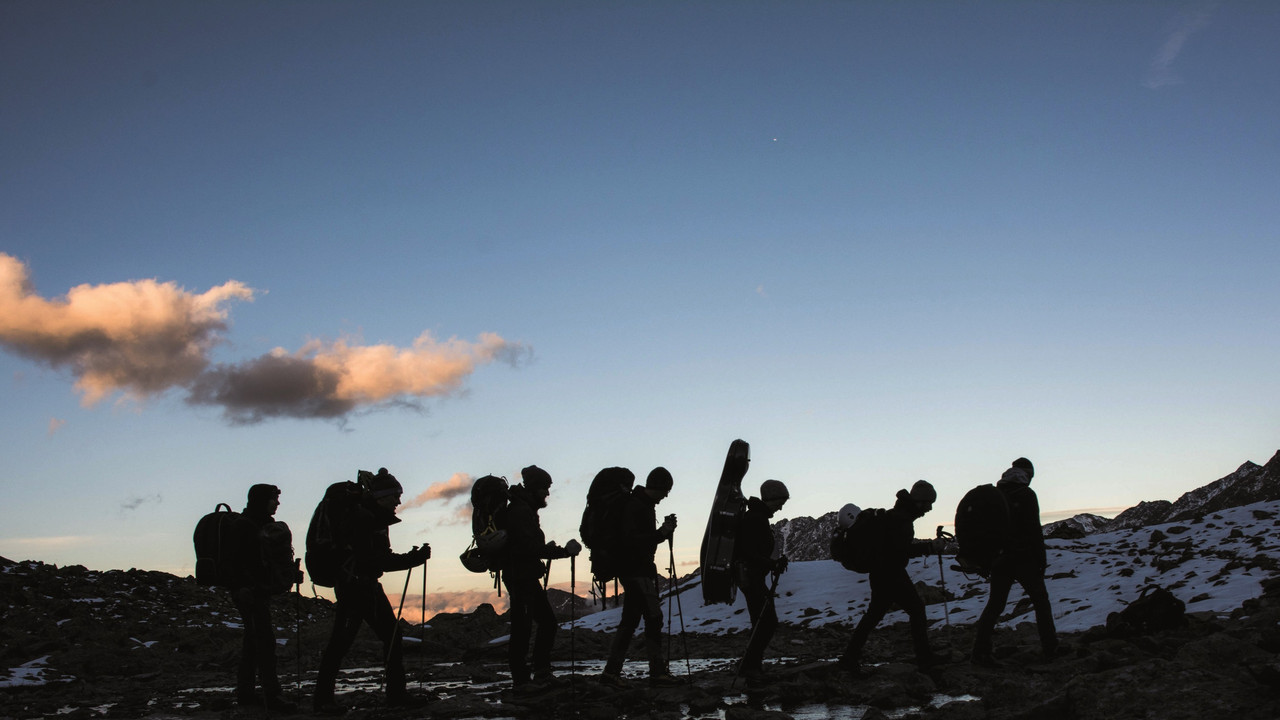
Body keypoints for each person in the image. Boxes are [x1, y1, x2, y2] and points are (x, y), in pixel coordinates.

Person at [313, 468, 430, 713]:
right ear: (381, 496)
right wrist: (412, 559)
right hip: (356, 587)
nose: (398, 501)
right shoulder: (364, 518)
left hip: (359, 585)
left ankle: (326, 699)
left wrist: (410, 559)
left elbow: (377, 557)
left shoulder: (371, 516)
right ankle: (391, 696)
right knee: (349, 641)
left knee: (381, 637)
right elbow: (373, 560)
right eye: (395, 496)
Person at [839, 480, 947, 673]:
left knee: (874, 615)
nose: (930, 508)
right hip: (891, 573)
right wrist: (929, 547)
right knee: (916, 610)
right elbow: (900, 551)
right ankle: (924, 659)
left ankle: (850, 657)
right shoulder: (902, 520)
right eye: (929, 503)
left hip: (881, 573)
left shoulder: (896, 515)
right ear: (920, 501)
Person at [499, 465, 582, 690]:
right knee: (527, 627)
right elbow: (527, 547)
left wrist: (548, 550)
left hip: (521, 575)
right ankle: (525, 680)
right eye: (545, 488)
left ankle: (534, 675)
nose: (547, 493)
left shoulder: (523, 508)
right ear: (534, 488)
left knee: (536, 624)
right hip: (520, 577)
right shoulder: (521, 511)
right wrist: (561, 552)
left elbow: (526, 545)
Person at [971, 458, 1059, 666]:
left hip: (1000, 559)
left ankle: (979, 652)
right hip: (1024, 558)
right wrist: (1041, 560)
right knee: (1041, 602)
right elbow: (1034, 529)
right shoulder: (1026, 494)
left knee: (995, 604)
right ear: (1027, 474)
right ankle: (1050, 649)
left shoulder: (996, 495)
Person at [600, 467, 681, 688]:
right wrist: (662, 533)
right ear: (659, 487)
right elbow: (634, 541)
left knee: (630, 620)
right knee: (654, 618)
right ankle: (657, 672)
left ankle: (611, 672)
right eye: (666, 490)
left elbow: (638, 539)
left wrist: (661, 533)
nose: (666, 495)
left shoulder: (639, 504)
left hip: (632, 570)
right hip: (637, 571)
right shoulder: (637, 506)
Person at [230, 484, 301, 712]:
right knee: (264, 642)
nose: (277, 503)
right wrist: (242, 587)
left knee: (254, 642)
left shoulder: (261, 524)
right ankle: (272, 696)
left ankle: (246, 694)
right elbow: (236, 561)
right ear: (260, 500)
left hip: (257, 591)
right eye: (273, 499)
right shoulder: (244, 526)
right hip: (248, 592)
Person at [735, 479, 791, 682]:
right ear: (771, 498)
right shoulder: (756, 518)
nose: (780, 507)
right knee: (766, 622)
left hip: (752, 577)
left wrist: (771, 563)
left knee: (761, 621)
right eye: (780, 502)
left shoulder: (756, 516)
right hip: (751, 578)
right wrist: (771, 564)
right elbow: (749, 552)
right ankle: (750, 666)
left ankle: (751, 665)